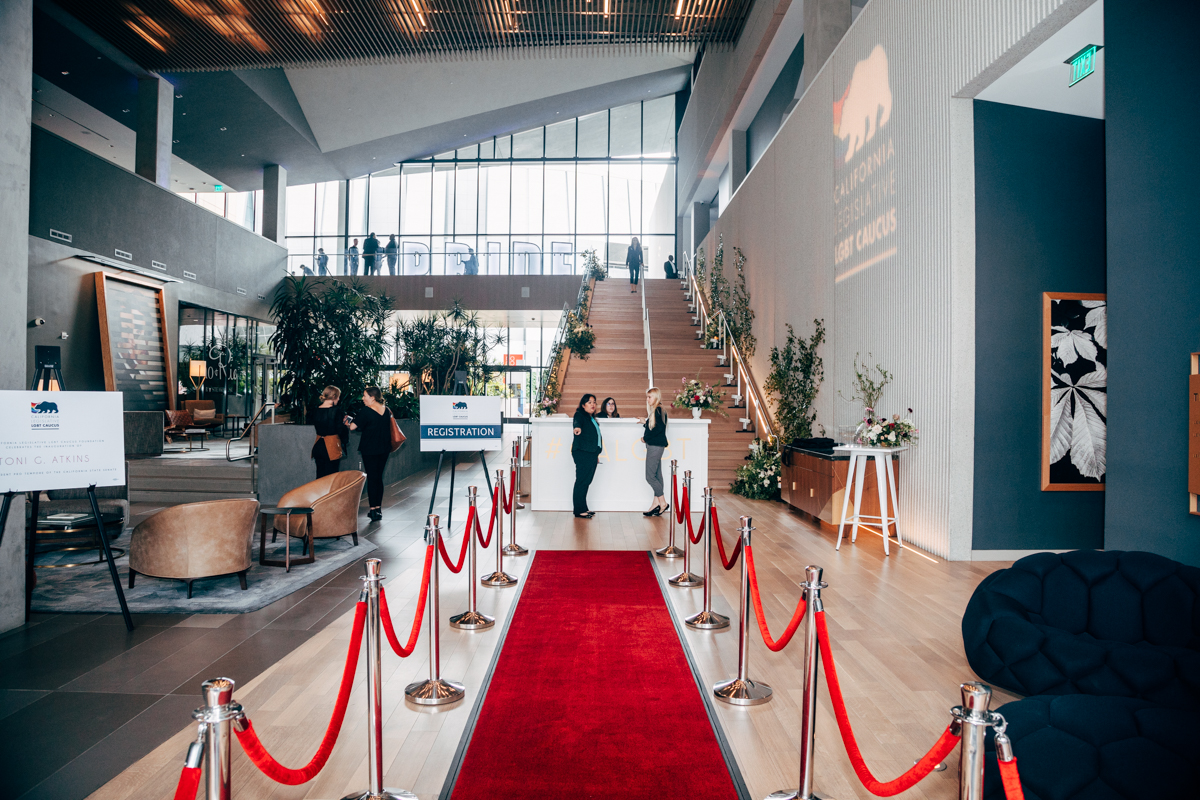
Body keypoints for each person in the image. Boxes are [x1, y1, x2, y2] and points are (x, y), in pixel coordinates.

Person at [347, 386, 393, 521]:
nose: (363, 398)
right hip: (384, 448)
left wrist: (348, 421)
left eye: (365, 396)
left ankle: (373, 510)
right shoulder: (387, 410)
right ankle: (378, 508)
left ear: (372, 397)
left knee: (372, 478)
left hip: (370, 449)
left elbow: (352, 426)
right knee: (378, 477)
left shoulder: (366, 411)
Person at [637, 387, 669, 516]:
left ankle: (662, 502)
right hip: (656, 446)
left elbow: (656, 430)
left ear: (656, 397)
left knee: (650, 476)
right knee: (657, 475)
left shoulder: (658, 410)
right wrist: (645, 423)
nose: (647, 399)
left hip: (655, 446)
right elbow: (654, 427)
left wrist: (645, 438)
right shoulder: (658, 410)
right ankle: (656, 503)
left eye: (650, 397)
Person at [571, 394, 602, 519]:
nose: (592, 404)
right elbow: (577, 423)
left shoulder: (591, 418)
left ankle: (583, 507)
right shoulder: (580, 415)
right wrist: (577, 428)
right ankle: (579, 510)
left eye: (594, 402)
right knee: (581, 481)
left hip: (591, 453)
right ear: (583, 405)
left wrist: (596, 454)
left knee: (586, 482)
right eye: (589, 402)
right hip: (583, 453)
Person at [311, 385, 349, 479]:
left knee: (320, 476)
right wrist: (346, 426)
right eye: (338, 396)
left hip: (318, 444)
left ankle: (321, 494)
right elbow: (340, 430)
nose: (339, 399)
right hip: (331, 446)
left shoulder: (315, 410)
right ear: (334, 396)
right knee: (331, 477)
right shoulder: (337, 411)